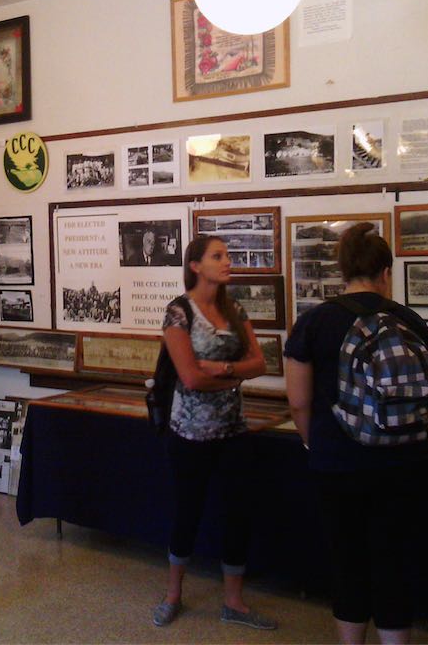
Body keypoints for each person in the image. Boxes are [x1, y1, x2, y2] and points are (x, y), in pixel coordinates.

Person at [283, 223, 428, 645]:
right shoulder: (409, 319)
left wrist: (314, 442)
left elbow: (298, 401)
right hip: (405, 459)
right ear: (385, 272)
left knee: (348, 559)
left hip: (338, 461)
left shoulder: (314, 322)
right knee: (395, 561)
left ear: (342, 270)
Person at [152, 235, 275, 630]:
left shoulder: (235, 309)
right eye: (217, 256)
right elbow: (188, 375)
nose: (227, 262)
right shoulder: (178, 312)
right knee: (187, 514)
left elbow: (260, 364)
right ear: (195, 266)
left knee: (237, 514)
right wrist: (225, 376)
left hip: (233, 431)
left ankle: (233, 602)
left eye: (227, 255)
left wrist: (220, 370)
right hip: (188, 434)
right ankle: (173, 595)